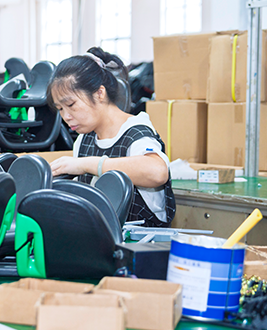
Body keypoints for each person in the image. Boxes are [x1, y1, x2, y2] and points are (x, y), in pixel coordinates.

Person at [47, 47, 175, 227]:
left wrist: (86, 165)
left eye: (71, 104)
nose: (66, 116)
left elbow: (157, 172)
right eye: (60, 109)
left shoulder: (136, 132)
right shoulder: (84, 140)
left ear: (99, 93)